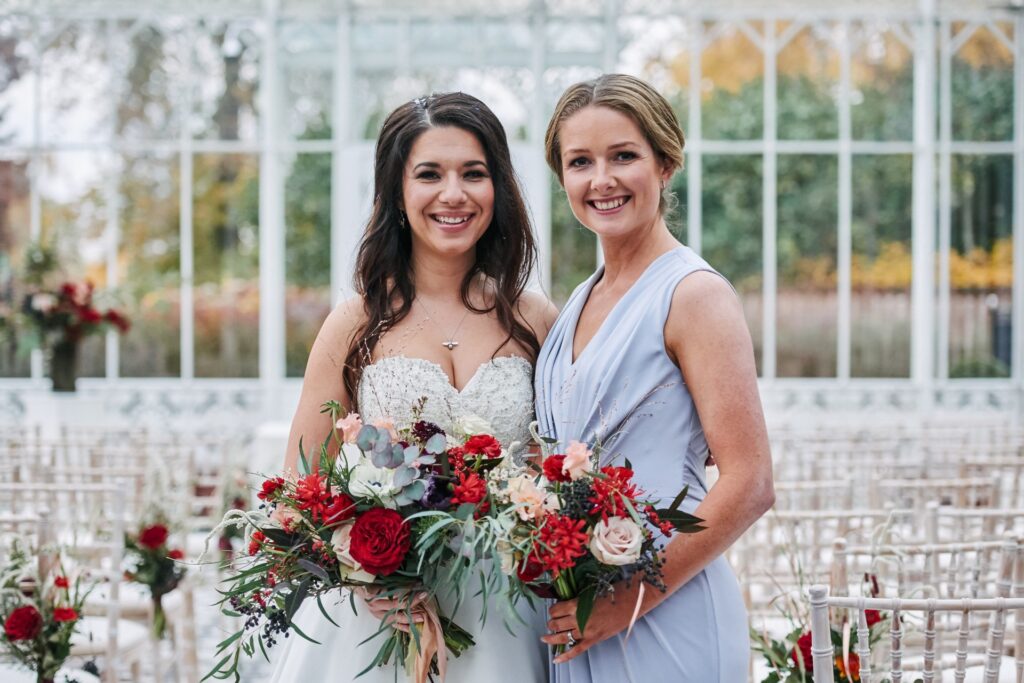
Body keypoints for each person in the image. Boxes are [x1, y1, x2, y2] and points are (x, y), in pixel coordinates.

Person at [271, 92, 558, 683]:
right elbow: (302, 486)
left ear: (497, 190)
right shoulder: (355, 322)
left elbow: (560, 466)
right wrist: (360, 571)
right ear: (397, 194)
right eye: (429, 174)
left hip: (508, 614)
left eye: (473, 174)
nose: (453, 194)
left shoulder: (534, 319)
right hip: (380, 625)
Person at [534, 74, 774, 682]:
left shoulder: (694, 295)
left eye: (623, 156)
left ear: (665, 164)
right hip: (583, 611)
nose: (601, 180)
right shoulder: (579, 302)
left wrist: (628, 598)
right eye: (580, 161)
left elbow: (749, 482)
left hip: (667, 611)